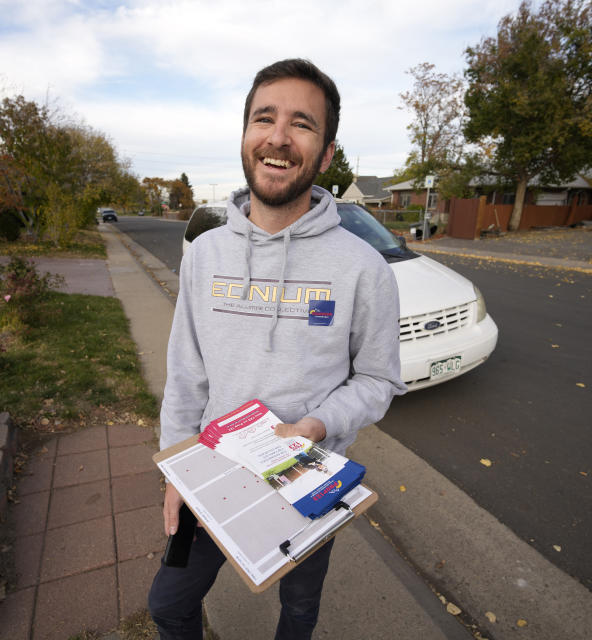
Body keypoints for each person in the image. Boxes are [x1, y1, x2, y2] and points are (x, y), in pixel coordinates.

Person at [148, 58, 405, 640]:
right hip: (210, 474)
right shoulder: (206, 255)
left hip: (306, 477)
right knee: (169, 605)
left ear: (327, 154)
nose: (279, 136)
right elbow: (185, 373)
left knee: (299, 608)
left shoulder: (363, 269)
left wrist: (317, 424)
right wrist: (175, 471)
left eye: (302, 123)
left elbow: (379, 380)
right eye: (264, 118)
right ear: (245, 135)